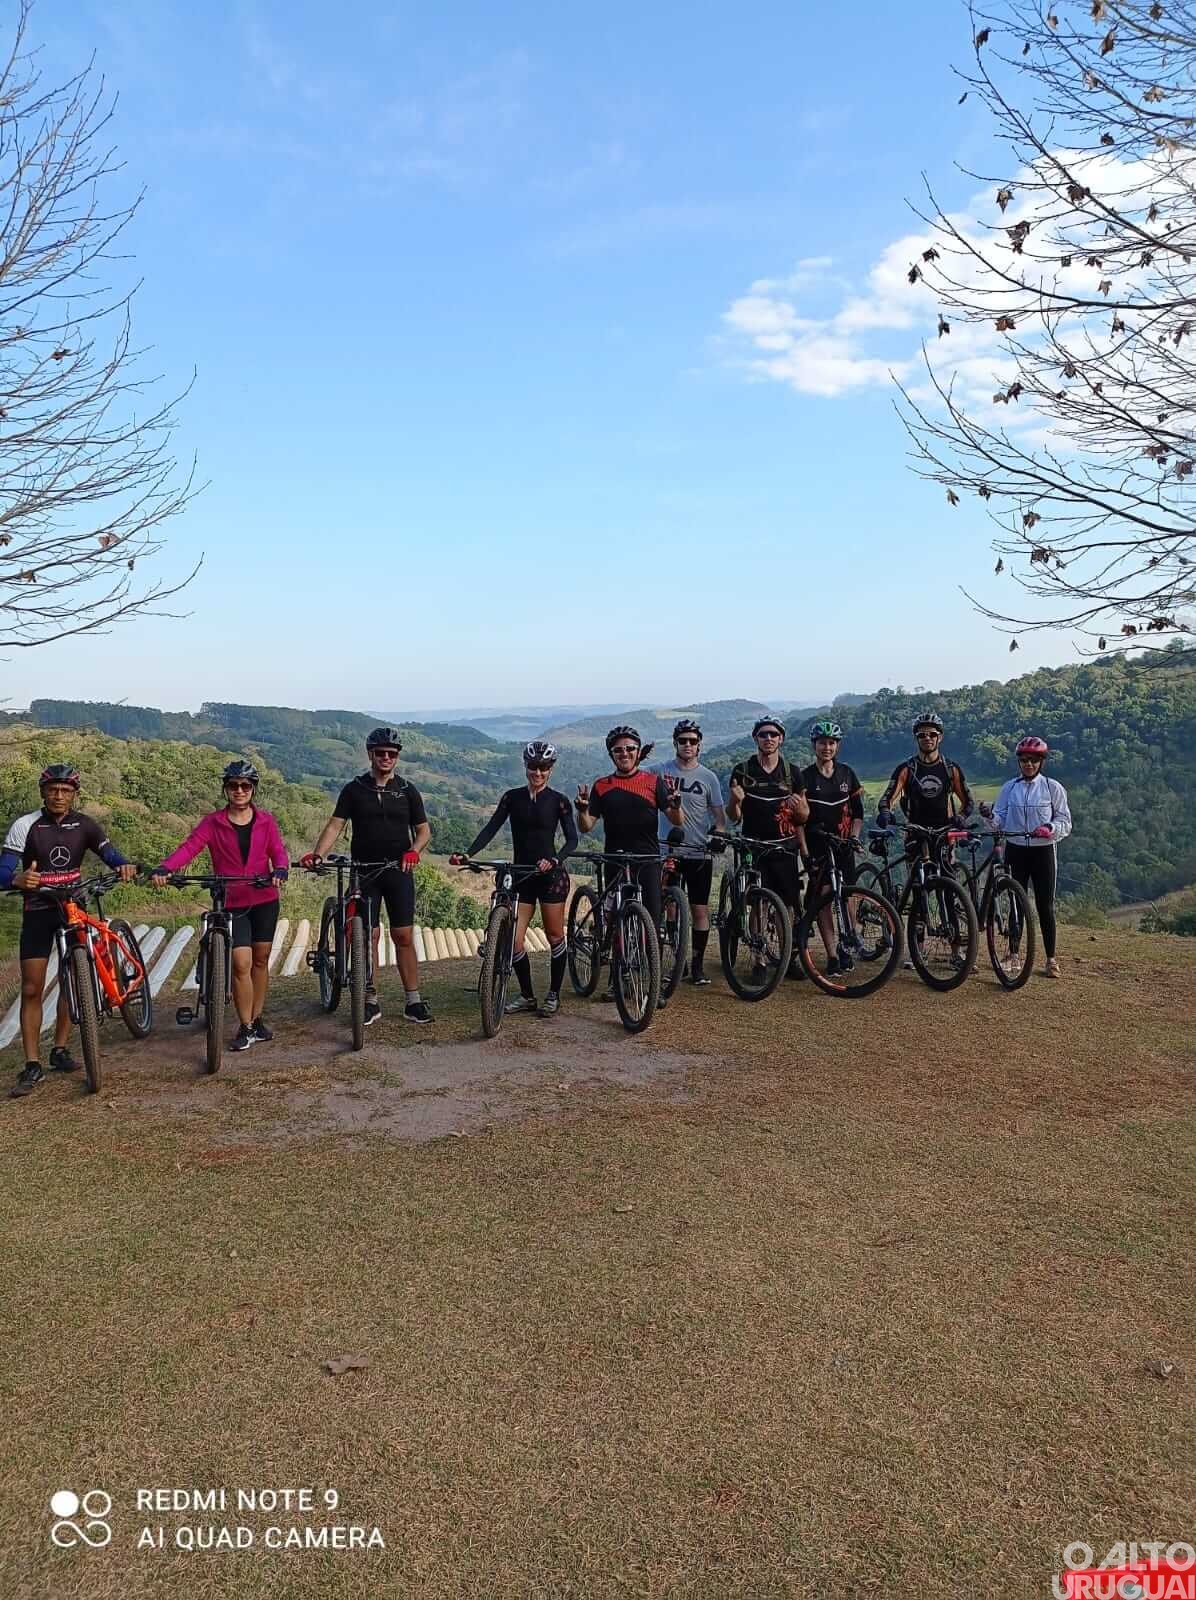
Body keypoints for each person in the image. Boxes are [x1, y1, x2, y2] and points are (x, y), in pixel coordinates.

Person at [0, 763, 137, 1096]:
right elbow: (2, 870)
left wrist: (124, 867)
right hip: (38, 910)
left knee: (72, 981)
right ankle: (32, 1065)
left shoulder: (85, 825)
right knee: (32, 988)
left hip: (73, 909)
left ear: (74, 794)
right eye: (53, 790)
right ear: (43, 792)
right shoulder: (26, 826)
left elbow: (110, 854)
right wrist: (17, 879)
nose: (58, 795)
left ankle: (59, 1050)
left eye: (65, 790)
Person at [153, 760, 289, 1053]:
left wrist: (280, 869)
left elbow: (277, 850)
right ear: (226, 789)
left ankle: (257, 1016)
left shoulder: (266, 821)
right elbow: (190, 847)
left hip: (265, 897)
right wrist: (166, 867)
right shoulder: (212, 822)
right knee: (241, 962)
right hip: (232, 901)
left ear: (253, 790)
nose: (239, 791)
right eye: (233, 786)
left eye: (245, 786)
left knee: (261, 961)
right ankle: (246, 1026)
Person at [301, 727, 432, 1026]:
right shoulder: (354, 789)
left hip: (399, 871)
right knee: (367, 935)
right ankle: (370, 998)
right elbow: (335, 825)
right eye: (381, 753)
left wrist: (414, 850)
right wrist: (318, 853)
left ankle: (413, 1000)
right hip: (363, 871)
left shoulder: (408, 790)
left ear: (397, 757)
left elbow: (423, 830)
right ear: (370, 754)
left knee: (403, 936)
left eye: (392, 754)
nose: (386, 758)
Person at [450, 741, 578, 1018]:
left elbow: (572, 839)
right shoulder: (512, 798)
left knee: (555, 935)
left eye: (544, 767)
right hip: (521, 874)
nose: (538, 772)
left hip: (550, 877)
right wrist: (468, 853)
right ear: (526, 766)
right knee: (516, 941)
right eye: (533, 766)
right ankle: (528, 995)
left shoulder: (559, 801)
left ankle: (554, 993)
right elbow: (491, 827)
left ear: (551, 769)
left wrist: (554, 860)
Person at [576, 726, 685, 1002]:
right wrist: (581, 810)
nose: (624, 753)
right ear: (612, 754)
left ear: (638, 752)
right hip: (615, 859)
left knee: (652, 922)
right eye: (618, 750)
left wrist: (676, 804)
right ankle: (617, 978)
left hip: (647, 860)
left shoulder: (653, 782)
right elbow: (587, 827)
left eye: (629, 749)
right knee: (615, 919)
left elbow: (677, 820)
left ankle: (653, 982)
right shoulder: (602, 785)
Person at [727, 715, 809, 976]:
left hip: (784, 846)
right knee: (759, 904)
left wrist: (800, 809)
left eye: (774, 734)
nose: (769, 738)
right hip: (754, 846)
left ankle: (788, 958)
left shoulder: (792, 771)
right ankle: (759, 960)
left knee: (788, 905)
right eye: (763, 734)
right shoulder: (742, 770)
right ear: (755, 738)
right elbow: (734, 817)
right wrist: (736, 801)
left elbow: (803, 817)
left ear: (781, 739)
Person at [649, 718, 726, 985]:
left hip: (698, 851)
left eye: (693, 741)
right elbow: (635, 779)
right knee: (670, 907)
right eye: (683, 740)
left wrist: (718, 834)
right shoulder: (659, 771)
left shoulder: (708, 777)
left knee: (699, 910)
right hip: (666, 850)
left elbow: (719, 816)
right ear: (675, 743)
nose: (688, 745)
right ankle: (676, 959)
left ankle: (697, 964)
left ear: (699, 745)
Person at [990, 735, 1072, 978]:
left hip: (1043, 850)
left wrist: (1050, 829)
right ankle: (1014, 954)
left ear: (1041, 762)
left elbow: (1065, 821)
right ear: (1019, 762)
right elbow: (999, 821)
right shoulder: (1009, 788)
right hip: (1015, 849)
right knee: (1016, 904)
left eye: (1034, 760)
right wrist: (989, 816)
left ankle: (1051, 959)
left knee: (1044, 905)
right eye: (1024, 760)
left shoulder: (1052, 787)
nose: (1029, 764)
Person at [800, 721, 865, 976]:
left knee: (847, 896)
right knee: (824, 898)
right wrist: (804, 852)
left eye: (831, 743)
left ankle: (846, 945)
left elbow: (858, 812)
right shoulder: (804, 778)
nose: (827, 747)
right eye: (822, 743)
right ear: (814, 745)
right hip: (817, 845)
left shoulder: (847, 774)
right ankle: (831, 955)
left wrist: (854, 836)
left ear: (837, 746)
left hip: (843, 844)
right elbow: (798, 821)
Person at [877, 711, 974, 831]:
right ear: (916, 738)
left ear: (940, 737)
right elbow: (887, 798)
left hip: (944, 833)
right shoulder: (906, 769)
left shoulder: (951, 769)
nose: (927, 738)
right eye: (921, 735)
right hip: (915, 832)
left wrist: (961, 817)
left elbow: (968, 801)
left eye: (932, 734)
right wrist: (885, 812)